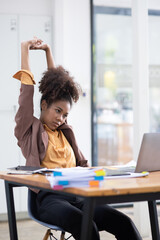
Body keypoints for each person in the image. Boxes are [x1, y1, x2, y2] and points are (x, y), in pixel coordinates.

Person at [13, 38, 142, 240]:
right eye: (57, 111)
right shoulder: (29, 130)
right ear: (44, 104)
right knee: (86, 227)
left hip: (79, 196)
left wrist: (48, 50)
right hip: (50, 199)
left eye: (65, 114)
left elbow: (56, 86)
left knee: (124, 223)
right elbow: (27, 93)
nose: (61, 118)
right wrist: (25, 50)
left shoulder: (65, 132)